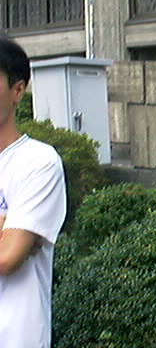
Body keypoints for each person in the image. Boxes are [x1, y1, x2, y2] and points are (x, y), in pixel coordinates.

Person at [0, 37, 66, 348]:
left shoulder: (39, 162)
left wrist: (11, 237)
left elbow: (7, 258)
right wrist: (6, 225)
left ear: (18, 90)